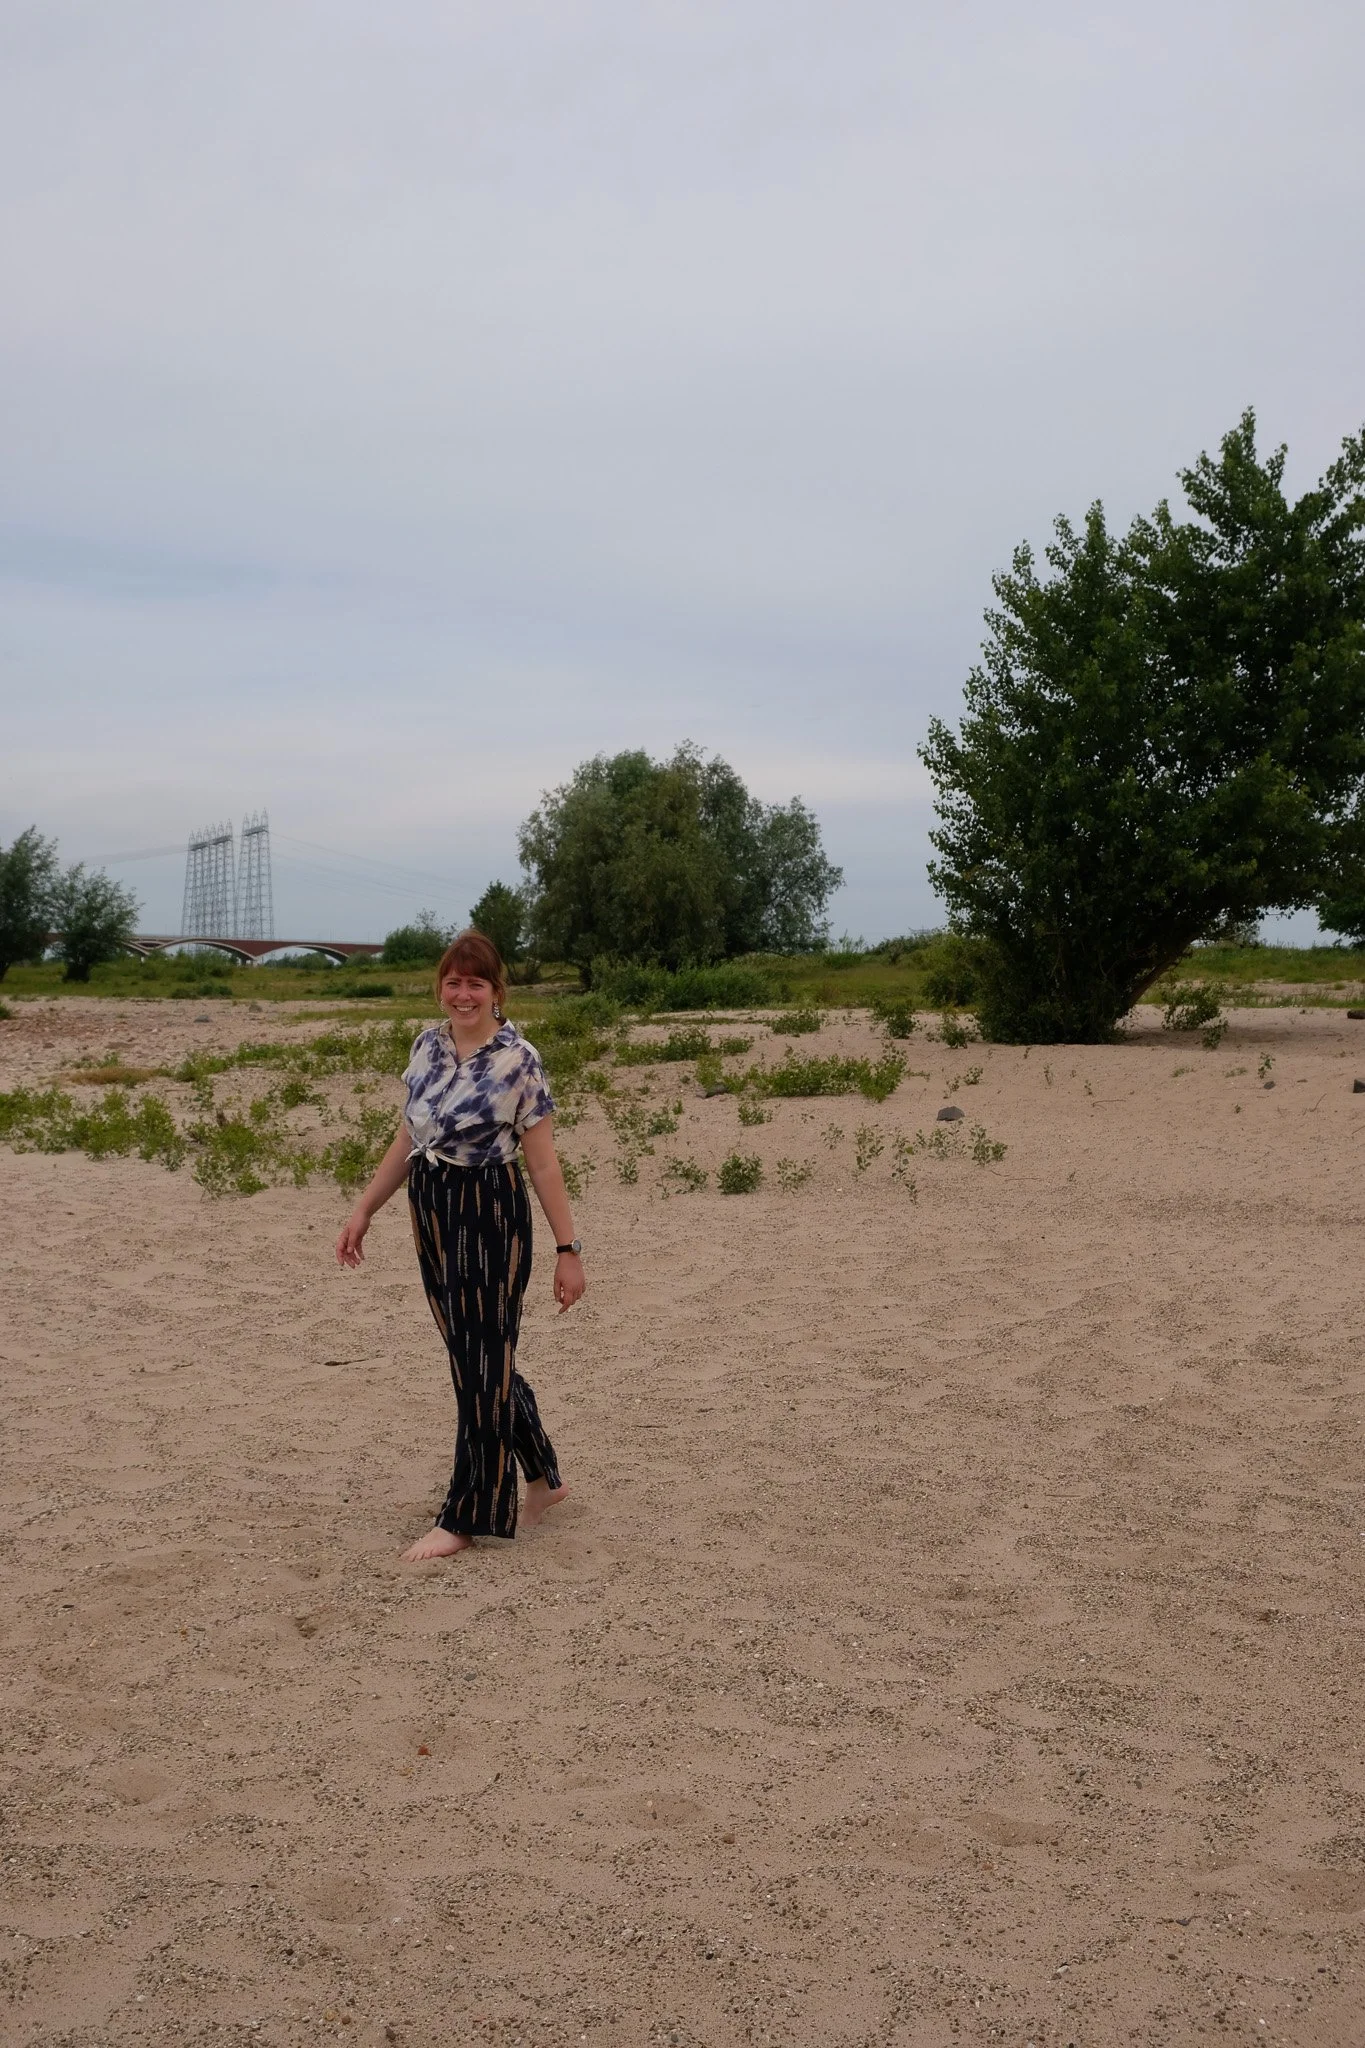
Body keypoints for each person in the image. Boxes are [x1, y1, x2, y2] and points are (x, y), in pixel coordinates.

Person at [335, 929, 585, 1560]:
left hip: (489, 1211)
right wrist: (365, 1208)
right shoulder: (426, 1047)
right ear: (440, 988)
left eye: (476, 983)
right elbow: (406, 1138)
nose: (463, 993)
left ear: (497, 991)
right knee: (474, 1354)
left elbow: (545, 1166)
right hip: (432, 1207)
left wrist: (568, 1249)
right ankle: (544, 1478)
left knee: (478, 1361)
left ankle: (467, 1515)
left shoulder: (517, 1060)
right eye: (454, 981)